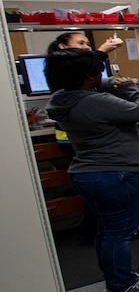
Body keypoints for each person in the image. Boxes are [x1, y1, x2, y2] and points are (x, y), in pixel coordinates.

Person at [45, 48, 139, 292]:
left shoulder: (62, 99)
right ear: (88, 77)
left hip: (89, 173)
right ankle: (122, 288)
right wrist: (131, 87)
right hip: (115, 174)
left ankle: (119, 279)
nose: (102, 75)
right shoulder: (94, 102)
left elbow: (103, 86)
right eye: (99, 71)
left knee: (107, 231)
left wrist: (112, 82)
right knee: (119, 234)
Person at [47, 32, 129, 245]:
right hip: (80, 141)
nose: (86, 47)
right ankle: (102, 234)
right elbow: (82, 80)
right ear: (62, 46)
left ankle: (100, 233)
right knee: (103, 200)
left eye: (87, 44)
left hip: (83, 146)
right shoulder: (66, 71)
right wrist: (101, 53)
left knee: (99, 202)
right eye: (80, 43)